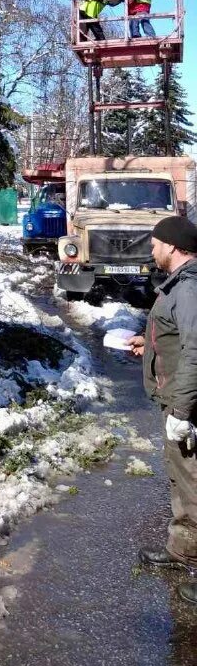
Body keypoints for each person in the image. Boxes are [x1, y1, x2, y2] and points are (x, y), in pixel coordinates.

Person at [129, 216, 197, 603]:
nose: (152, 250)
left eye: (155, 243)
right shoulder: (179, 287)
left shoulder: (189, 289)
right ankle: (183, 549)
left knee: (195, 481)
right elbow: (176, 337)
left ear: (172, 246)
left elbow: (195, 351)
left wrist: (183, 411)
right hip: (177, 398)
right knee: (183, 478)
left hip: (187, 403)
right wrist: (148, 344)